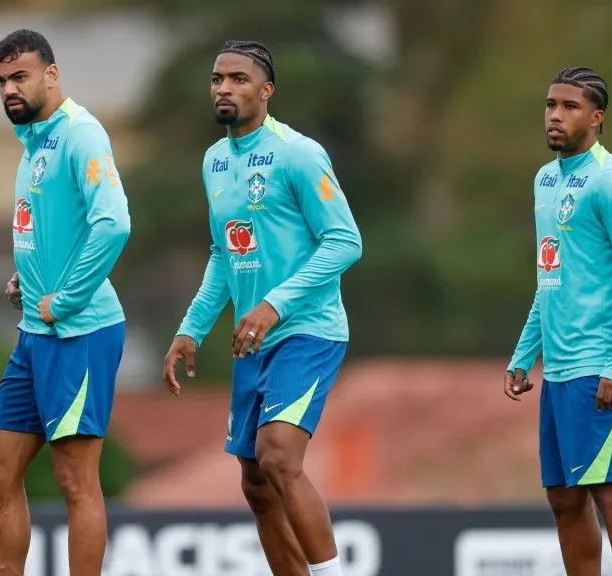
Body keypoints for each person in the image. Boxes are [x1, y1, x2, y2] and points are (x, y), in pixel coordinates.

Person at [162, 40, 363, 576]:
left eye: (238, 79)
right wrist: (191, 328)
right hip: (251, 340)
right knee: (255, 480)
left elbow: (345, 241)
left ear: (266, 91)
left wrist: (274, 304)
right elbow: (223, 253)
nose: (224, 88)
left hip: (308, 330)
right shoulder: (214, 162)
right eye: (217, 79)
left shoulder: (298, 153)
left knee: (277, 455)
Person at [0, 30, 131, 576]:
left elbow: (113, 222)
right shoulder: (35, 142)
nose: (9, 90)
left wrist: (64, 298)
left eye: (20, 77)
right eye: (1, 82)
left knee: (74, 479)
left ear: (52, 74)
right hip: (36, 332)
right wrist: (30, 279)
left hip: (81, 329)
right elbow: (61, 230)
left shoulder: (81, 134)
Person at [505, 66, 612, 576]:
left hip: (604, 369)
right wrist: (526, 354)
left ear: (597, 118)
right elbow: (551, 275)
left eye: (569, 107)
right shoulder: (545, 180)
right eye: (551, 105)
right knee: (565, 499)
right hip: (561, 373)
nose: (555, 115)